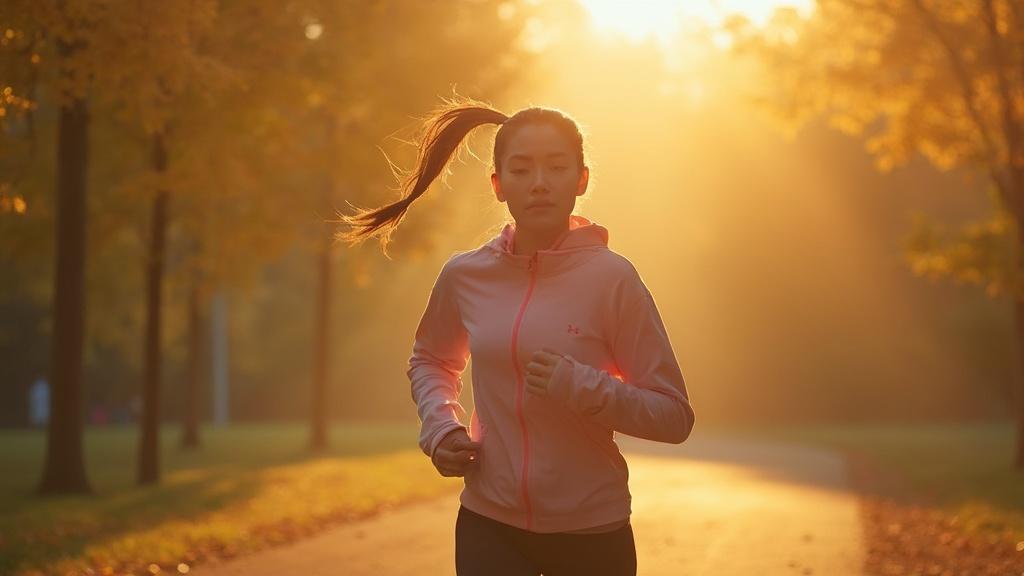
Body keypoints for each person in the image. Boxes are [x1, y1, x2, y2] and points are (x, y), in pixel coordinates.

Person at [337, 97, 695, 576]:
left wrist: (583, 386)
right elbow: (431, 359)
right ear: (499, 185)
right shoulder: (466, 275)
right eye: (522, 170)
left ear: (581, 179)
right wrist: (440, 428)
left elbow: (673, 417)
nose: (540, 183)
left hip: (591, 532)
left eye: (556, 167)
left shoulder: (614, 280)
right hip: (490, 524)